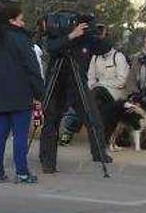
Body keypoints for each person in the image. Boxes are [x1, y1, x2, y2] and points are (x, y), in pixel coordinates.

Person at [0, 2, 44, 184]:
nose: (23, 23)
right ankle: (22, 172)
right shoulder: (20, 40)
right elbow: (32, 68)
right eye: (21, 20)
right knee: (20, 135)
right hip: (20, 94)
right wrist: (39, 92)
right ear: (11, 21)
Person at [39, 15, 111, 174]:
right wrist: (71, 36)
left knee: (93, 118)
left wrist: (102, 35)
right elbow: (51, 48)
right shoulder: (57, 37)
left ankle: (99, 153)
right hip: (57, 84)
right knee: (51, 121)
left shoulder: (86, 40)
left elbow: (104, 49)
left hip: (78, 83)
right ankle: (47, 161)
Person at [87, 27, 130, 143]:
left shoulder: (118, 57)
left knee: (97, 95)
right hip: (98, 92)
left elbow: (122, 80)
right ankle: (100, 135)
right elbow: (90, 77)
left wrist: (101, 84)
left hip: (115, 92)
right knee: (97, 102)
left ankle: (99, 136)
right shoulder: (95, 58)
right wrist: (93, 86)